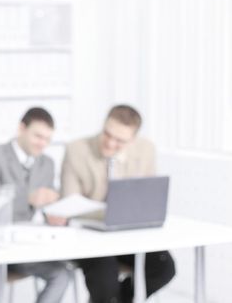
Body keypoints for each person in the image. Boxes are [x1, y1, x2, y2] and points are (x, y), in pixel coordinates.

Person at [58, 104, 176, 303]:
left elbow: (147, 197)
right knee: (105, 281)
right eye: (107, 134)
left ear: (132, 140)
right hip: (91, 239)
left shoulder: (145, 150)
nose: (111, 143)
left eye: (120, 141)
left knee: (164, 268)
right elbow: (70, 202)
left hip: (128, 237)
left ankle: (120, 300)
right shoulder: (76, 150)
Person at [0, 107, 70, 303]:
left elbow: (46, 208)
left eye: (47, 139)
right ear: (21, 129)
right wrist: (29, 198)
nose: (42, 144)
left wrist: (55, 214)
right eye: (38, 136)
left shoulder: (47, 163)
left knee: (62, 275)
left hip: (23, 247)